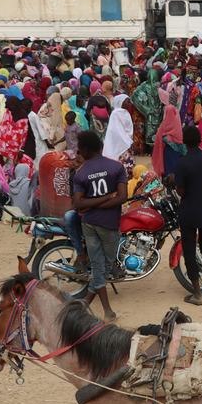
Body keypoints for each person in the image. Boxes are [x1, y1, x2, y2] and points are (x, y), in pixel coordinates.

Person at [72, 130, 127, 321]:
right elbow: (122, 197)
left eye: (79, 150)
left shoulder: (81, 174)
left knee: (98, 266)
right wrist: (105, 198)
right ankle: (107, 311)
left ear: (85, 150)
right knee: (104, 265)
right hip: (109, 223)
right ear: (100, 147)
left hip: (89, 223)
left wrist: (93, 203)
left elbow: (78, 203)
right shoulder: (116, 167)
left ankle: (87, 303)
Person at [171, 125, 202, 305]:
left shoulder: (182, 163)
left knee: (189, 250)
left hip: (189, 212)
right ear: (200, 140)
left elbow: (181, 191)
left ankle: (197, 294)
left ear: (184, 141)